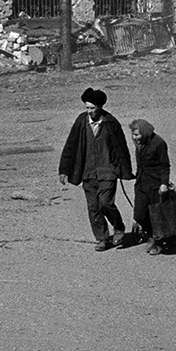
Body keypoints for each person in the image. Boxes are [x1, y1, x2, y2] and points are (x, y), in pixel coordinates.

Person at [58, 87, 134, 251]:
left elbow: (122, 148)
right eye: (87, 108)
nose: (89, 111)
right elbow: (70, 146)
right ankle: (102, 238)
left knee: (106, 203)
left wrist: (124, 170)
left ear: (100, 107)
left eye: (92, 108)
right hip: (88, 172)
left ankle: (118, 226)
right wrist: (64, 170)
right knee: (94, 207)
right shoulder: (81, 121)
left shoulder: (111, 123)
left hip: (108, 172)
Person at [127, 118, 172, 255]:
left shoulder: (159, 143)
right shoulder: (139, 143)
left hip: (155, 184)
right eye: (133, 134)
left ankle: (157, 243)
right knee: (139, 215)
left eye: (136, 135)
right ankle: (151, 234)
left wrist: (164, 183)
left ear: (145, 133)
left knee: (156, 216)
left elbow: (165, 165)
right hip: (141, 183)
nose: (134, 138)